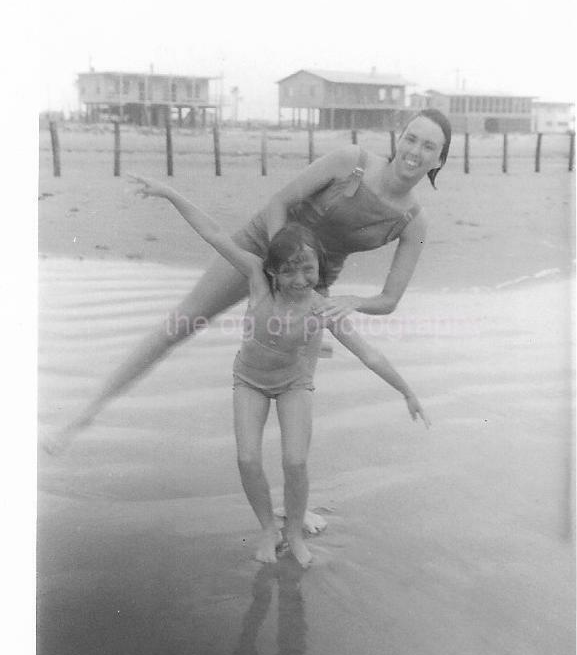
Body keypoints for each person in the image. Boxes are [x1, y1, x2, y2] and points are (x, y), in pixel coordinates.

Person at [50, 110, 451, 485]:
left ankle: (294, 507)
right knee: (181, 323)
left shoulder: (412, 222)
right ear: (399, 138)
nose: (414, 151)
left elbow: (389, 299)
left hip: (311, 283)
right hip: (264, 245)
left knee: (298, 390)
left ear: (438, 161)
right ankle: (85, 414)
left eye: (428, 147)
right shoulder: (351, 160)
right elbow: (279, 202)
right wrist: (279, 266)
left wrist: (350, 299)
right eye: (411, 138)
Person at [128, 173, 430, 566]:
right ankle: (268, 530)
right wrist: (170, 193)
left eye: (309, 270)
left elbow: (368, 354)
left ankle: (294, 535)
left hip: (293, 385)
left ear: (320, 268)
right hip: (249, 381)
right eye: (289, 271)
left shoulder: (322, 307)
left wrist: (406, 390)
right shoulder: (257, 279)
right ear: (273, 271)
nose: (301, 279)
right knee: (247, 459)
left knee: (295, 461)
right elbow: (214, 234)